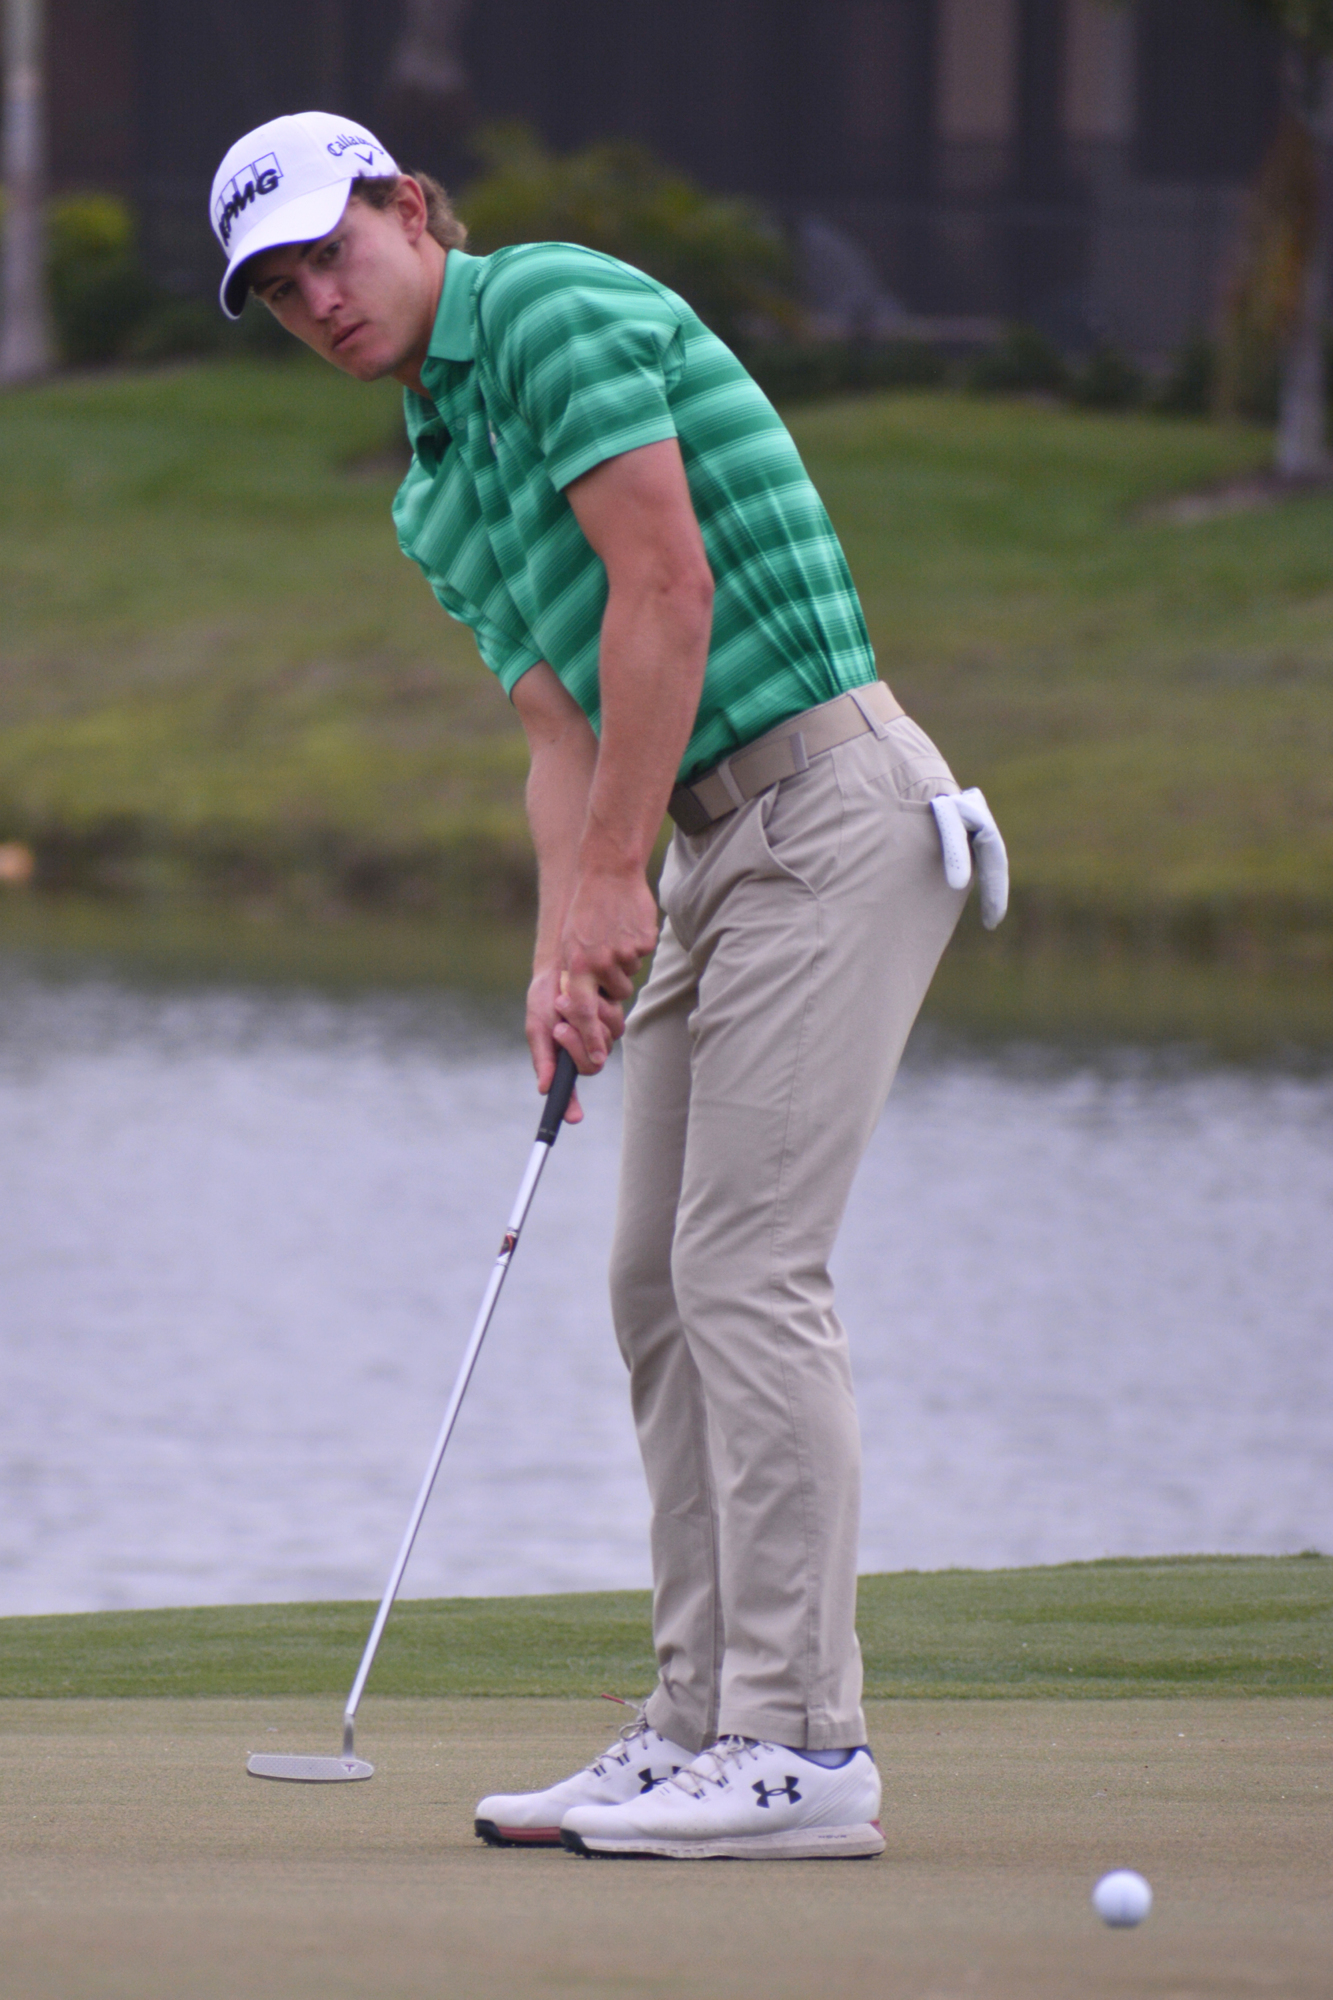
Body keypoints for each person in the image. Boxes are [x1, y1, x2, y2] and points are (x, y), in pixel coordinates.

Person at [210, 111, 1007, 1862]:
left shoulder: (554, 310)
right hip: (705, 847)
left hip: (829, 805)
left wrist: (609, 878)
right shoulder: (433, 478)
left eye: (330, 253)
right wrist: (564, 939)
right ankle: (700, 1718)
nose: (317, 301)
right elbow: (556, 716)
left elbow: (665, 590)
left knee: (744, 1266)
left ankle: (803, 1749)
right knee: (655, 1281)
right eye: (277, 292)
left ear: (410, 210)